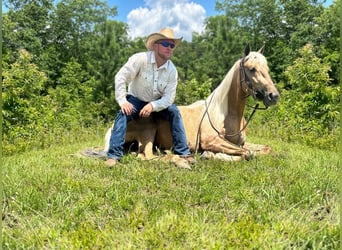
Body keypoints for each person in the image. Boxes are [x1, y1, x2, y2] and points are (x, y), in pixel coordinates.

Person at [105, 28, 196, 167]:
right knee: (123, 114)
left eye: (172, 45)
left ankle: (183, 152)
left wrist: (153, 105)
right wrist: (123, 101)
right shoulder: (140, 59)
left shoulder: (172, 71)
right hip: (136, 100)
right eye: (166, 44)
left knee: (174, 111)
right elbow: (120, 77)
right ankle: (113, 155)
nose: (169, 48)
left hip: (158, 102)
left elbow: (169, 98)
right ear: (155, 46)